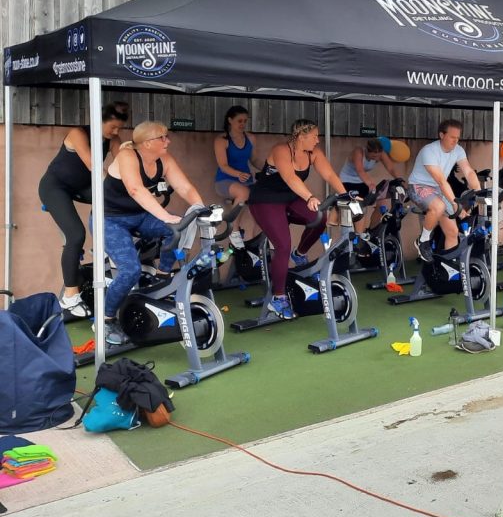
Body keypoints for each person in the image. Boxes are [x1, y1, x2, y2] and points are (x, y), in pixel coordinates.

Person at [102, 121, 205, 345]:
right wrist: (165, 216)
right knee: (130, 270)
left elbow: (184, 187)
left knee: (176, 230)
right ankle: (106, 318)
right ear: (148, 143)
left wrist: (201, 208)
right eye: (163, 137)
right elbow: (135, 189)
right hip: (109, 220)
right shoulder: (128, 156)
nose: (168, 141)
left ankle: (162, 277)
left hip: (139, 216)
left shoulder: (164, 160)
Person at [247, 119, 349, 319]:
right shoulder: (281, 150)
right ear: (301, 137)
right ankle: (278, 298)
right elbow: (290, 178)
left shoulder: (313, 153)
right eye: (314, 136)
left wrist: (346, 195)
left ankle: (300, 253)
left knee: (319, 218)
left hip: (290, 198)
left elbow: (329, 174)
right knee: (282, 245)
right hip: (265, 200)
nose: (317, 141)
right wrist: (309, 196)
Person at [38, 103, 130, 318]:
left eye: (119, 128)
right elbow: (94, 166)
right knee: (76, 235)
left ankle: (108, 253)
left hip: (81, 186)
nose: (116, 132)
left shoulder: (113, 139)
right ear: (101, 120)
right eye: (113, 127)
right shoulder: (78, 133)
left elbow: (125, 164)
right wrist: (115, 187)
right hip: (55, 187)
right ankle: (70, 296)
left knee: (116, 204)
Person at [407, 119, 480, 262]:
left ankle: (448, 267)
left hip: (438, 190)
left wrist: (478, 192)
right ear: (442, 135)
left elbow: (469, 171)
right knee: (439, 206)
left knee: (452, 232)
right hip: (418, 187)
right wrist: (454, 203)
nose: (455, 141)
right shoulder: (429, 151)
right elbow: (441, 181)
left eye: (458, 138)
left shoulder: (458, 150)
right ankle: (423, 240)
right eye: (452, 137)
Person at [213, 105, 257, 248]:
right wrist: (238, 174)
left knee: (264, 194)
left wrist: (271, 167)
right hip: (225, 180)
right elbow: (223, 165)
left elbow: (254, 160)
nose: (243, 124)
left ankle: (260, 236)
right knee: (244, 192)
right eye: (239, 121)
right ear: (230, 120)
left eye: (245, 121)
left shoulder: (250, 138)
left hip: (246, 180)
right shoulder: (221, 140)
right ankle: (233, 229)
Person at [339, 137, 401, 235]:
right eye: (373, 157)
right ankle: (359, 234)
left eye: (378, 157)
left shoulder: (381, 154)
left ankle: (372, 231)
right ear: (367, 151)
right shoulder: (358, 152)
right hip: (347, 182)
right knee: (360, 207)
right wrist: (370, 184)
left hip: (361, 182)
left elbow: (391, 168)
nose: (376, 159)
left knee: (382, 202)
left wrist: (400, 180)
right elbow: (360, 170)